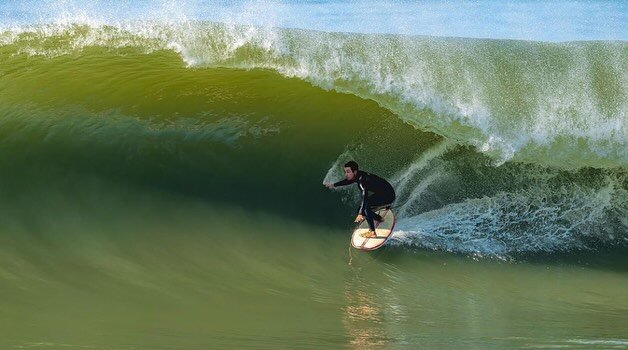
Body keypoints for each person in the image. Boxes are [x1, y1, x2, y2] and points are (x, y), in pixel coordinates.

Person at [324, 161, 396, 238]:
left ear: (354, 172)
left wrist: (360, 214)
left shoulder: (362, 181)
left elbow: (365, 196)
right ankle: (379, 218)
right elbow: (348, 181)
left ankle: (372, 232)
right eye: (345, 172)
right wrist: (333, 185)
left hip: (388, 195)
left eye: (348, 172)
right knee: (361, 209)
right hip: (383, 192)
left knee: (365, 208)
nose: (346, 174)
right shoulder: (358, 175)